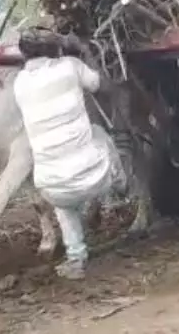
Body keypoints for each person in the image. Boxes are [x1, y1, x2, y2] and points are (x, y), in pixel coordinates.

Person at [12, 27, 126, 280]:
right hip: (97, 179)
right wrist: (85, 51)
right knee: (98, 132)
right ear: (55, 49)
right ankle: (120, 187)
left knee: (64, 205)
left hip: (54, 190)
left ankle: (76, 258)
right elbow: (102, 86)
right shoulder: (70, 66)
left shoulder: (19, 83)